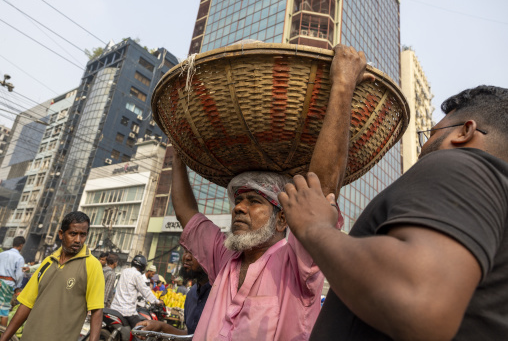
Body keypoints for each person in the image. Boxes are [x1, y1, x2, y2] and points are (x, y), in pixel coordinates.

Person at [170, 44, 370, 340]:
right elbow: (187, 213)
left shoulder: (298, 264)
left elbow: (320, 193)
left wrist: (342, 84)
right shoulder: (224, 256)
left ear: (282, 220)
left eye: (254, 201)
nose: (239, 208)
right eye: (238, 201)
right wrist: (177, 155)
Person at [279, 85, 508, 340]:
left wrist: (315, 228)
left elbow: (419, 301)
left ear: (465, 132)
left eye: (430, 134)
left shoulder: (460, 164)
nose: (424, 148)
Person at [0, 211, 105, 341]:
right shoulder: (48, 261)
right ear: (61, 234)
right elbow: (26, 304)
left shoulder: (92, 265)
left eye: (82, 235)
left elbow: (97, 312)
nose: (78, 240)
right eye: (73, 234)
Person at [137, 248, 211, 335]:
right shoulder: (191, 294)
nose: (186, 257)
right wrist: (162, 327)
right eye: (186, 251)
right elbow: (191, 335)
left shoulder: (223, 294)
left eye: (194, 251)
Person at [109, 254, 160, 329]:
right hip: (127, 311)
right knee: (140, 331)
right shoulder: (137, 275)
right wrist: (157, 302)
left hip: (115, 307)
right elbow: (145, 291)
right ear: (143, 266)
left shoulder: (124, 271)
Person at [0, 236, 25, 327]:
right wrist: (17, 287)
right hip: (7, 284)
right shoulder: (19, 258)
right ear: (21, 245)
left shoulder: (2, 254)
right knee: (4, 311)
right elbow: (19, 275)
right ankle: (3, 336)